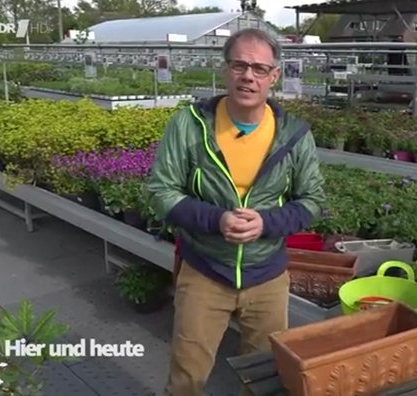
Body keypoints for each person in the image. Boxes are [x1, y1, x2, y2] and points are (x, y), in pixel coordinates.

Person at [146, 28, 326, 396]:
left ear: (274, 76)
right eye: (240, 65)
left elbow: (312, 199)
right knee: (187, 377)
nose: (249, 76)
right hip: (205, 271)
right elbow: (160, 192)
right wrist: (216, 220)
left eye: (260, 68)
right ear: (226, 69)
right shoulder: (190, 126)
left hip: (268, 277)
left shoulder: (293, 135)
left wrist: (266, 224)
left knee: (265, 377)